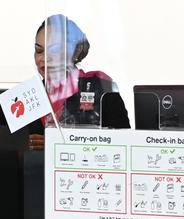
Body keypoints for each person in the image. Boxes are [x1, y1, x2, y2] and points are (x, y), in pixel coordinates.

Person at [29, 14, 130, 150]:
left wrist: (56, 145)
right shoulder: (28, 96)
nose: (44, 58)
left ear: (76, 51)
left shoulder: (100, 88)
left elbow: (124, 144)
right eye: (39, 50)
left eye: (54, 50)